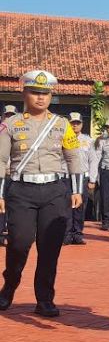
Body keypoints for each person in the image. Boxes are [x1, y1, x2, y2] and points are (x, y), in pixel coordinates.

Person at [0, 70, 83, 317]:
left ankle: (45, 299)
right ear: (24, 93)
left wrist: (76, 190)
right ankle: (9, 285)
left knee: (50, 248)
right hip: (21, 191)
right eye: (35, 92)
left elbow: (73, 157)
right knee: (19, 243)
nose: (40, 98)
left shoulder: (62, 124)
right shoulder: (11, 124)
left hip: (55, 191)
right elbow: (1, 159)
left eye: (45, 93)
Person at [63, 112, 97, 246]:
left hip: (82, 177)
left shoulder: (88, 141)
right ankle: (66, 235)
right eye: (73, 123)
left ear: (82, 124)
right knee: (66, 206)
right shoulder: (63, 139)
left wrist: (92, 180)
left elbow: (93, 161)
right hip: (67, 177)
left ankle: (77, 234)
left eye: (77, 123)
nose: (75, 125)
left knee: (80, 207)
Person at [0, 106, 18, 245]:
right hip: (1, 174)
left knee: (13, 206)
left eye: (12, 115)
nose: (9, 118)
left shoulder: (19, 132)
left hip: (14, 176)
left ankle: (11, 234)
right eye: (7, 115)